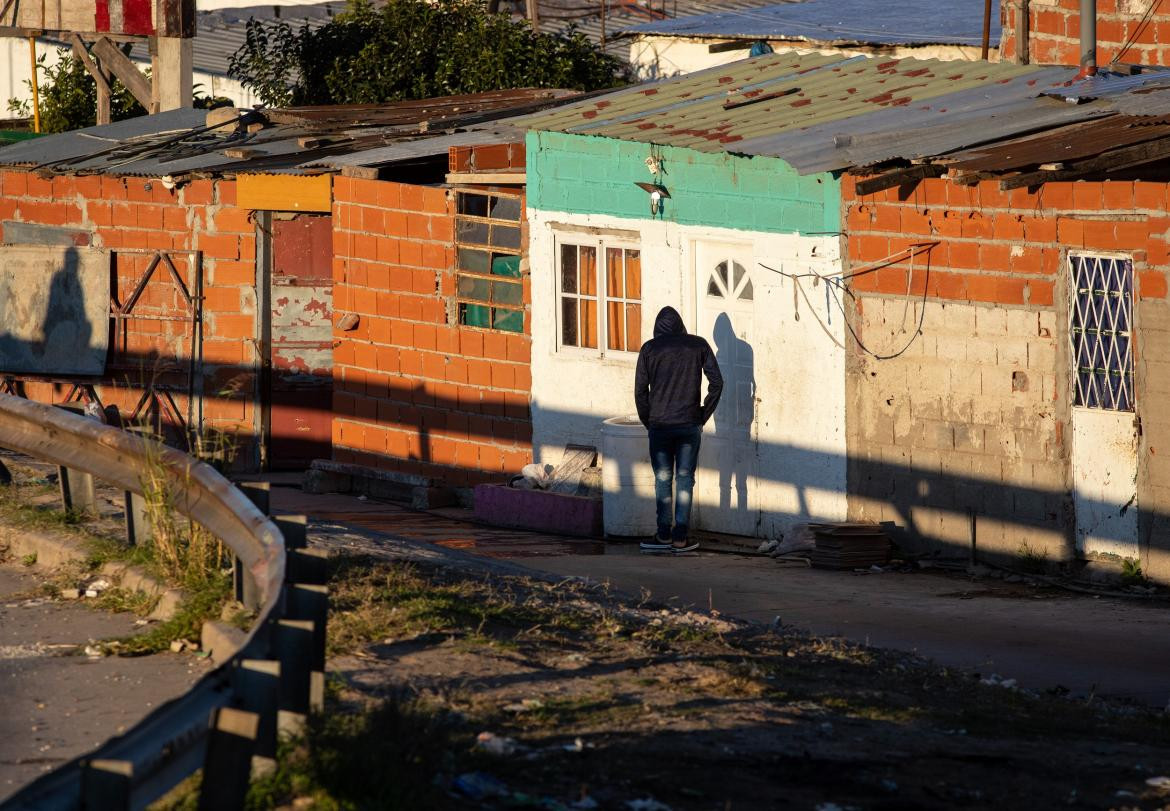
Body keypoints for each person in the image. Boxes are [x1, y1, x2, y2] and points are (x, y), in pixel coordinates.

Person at [634, 306, 723, 553]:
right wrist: (703, 415)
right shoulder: (698, 345)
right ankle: (681, 538)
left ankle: (663, 535)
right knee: (685, 478)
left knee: (663, 479)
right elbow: (717, 382)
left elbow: (641, 391)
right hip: (688, 425)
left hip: (659, 425)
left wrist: (648, 420)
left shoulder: (649, 349)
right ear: (681, 325)